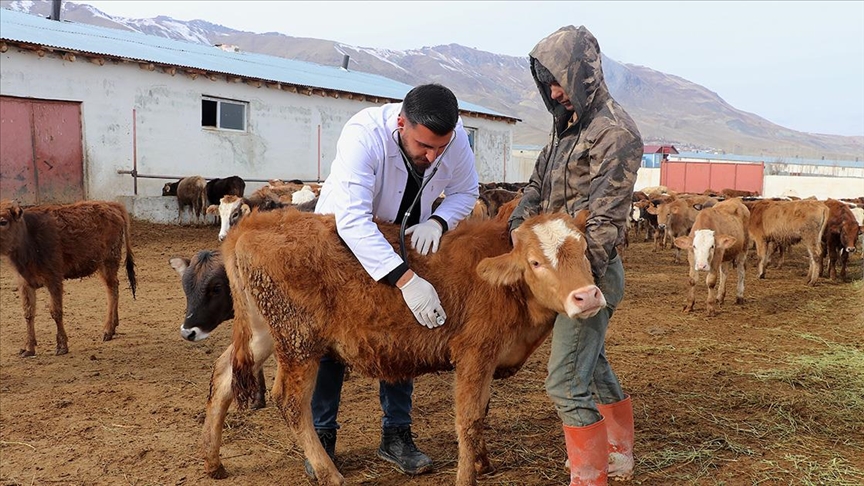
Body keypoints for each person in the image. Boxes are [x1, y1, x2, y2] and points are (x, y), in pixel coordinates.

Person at [309, 83, 480, 477]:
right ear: (401, 123)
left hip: (403, 236)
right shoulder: (363, 134)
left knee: (404, 331)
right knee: (332, 335)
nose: (433, 155)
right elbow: (352, 220)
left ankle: (396, 435)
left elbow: (466, 189)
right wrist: (407, 280)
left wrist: (439, 221)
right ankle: (322, 436)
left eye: (441, 147)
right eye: (424, 146)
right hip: (340, 239)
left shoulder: (454, 140)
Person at [508, 26, 642, 485]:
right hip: (556, 270)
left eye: (560, 79)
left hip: (588, 273)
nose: (554, 91)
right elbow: (532, 193)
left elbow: (606, 221)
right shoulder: (564, 132)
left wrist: (574, 281)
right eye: (546, 82)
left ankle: (590, 476)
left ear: (584, 75)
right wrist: (517, 238)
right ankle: (618, 454)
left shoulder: (615, 134)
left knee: (565, 380)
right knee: (592, 362)